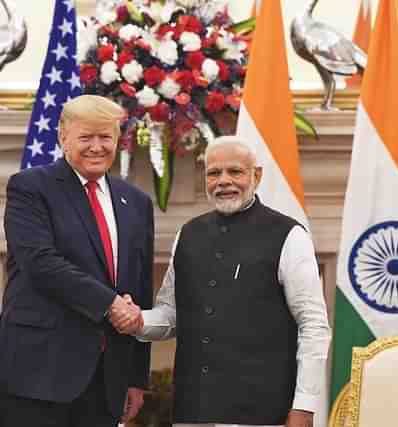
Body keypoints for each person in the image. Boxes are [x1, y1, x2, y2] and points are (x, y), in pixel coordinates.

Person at [113, 136, 331, 427]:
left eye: (235, 172)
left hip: (263, 412)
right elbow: (172, 314)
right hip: (193, 409)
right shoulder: (187, 234)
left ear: (257, 175)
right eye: (214, 173)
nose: (223, 181)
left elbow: (313, 324)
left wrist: (304, 405)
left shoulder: (289, 235)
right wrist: (138, 320)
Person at [0, 95, 154, 427]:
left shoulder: (136, 202)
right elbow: (40, 262)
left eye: (105, 137)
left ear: (118, 139)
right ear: (63, 137)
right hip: (36, 374)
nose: (96, 147)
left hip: (105, 379)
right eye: (85, 137)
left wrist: (136, 376)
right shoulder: (31, 187)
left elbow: (140, 286)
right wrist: (109, 303)